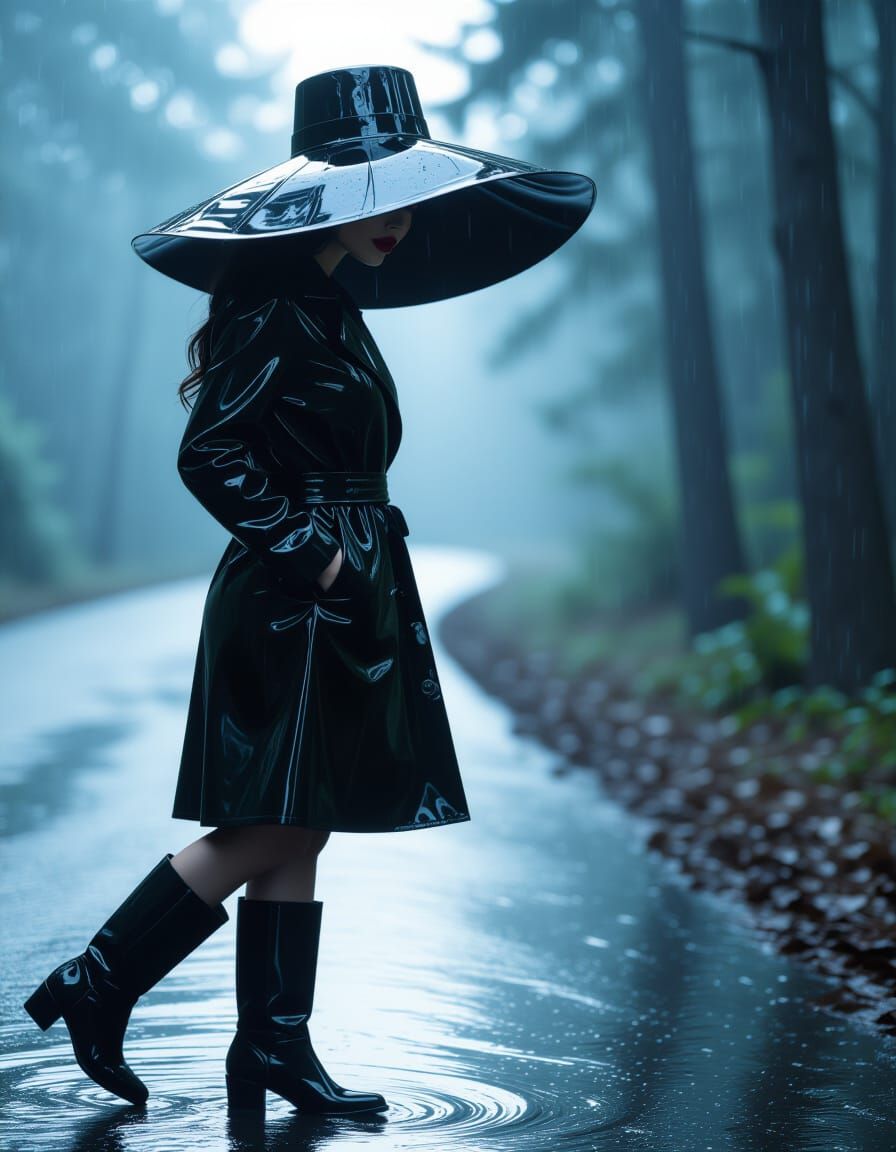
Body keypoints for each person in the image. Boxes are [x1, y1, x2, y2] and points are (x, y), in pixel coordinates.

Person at [23, 64, 595, 1118]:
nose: (399, 219)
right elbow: (211, 455)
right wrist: (313, 551)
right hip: (294, 597)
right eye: (377, 196)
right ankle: (98, 985)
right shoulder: (278, 304)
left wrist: (354, 542)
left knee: (301, 820)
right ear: (323, 198)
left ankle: (272, 1049)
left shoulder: (321, 301)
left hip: (335, 582)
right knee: (263, 826)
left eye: (407, 194)